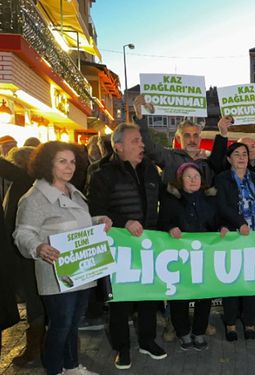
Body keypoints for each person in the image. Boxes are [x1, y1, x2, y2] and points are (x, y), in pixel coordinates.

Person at [14, 141, 112, 375]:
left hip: (81, 271)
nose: (69, 167)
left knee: (73, 324)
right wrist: (38, 247)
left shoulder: (74, 193)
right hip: (56, 274)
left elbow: (79, 224)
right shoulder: (34, 198)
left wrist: (97, 221)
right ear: (47, 163)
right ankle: (55, 369)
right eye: (62, 161)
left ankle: (72, 366)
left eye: (72, 161)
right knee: (60, 325)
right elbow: (22, 233)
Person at [87, 123, 166, 370]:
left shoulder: (151, 171)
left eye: (141, 141)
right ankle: (122, 348)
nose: (141, 145)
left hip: (148, 245)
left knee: (148, 297)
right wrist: (124, 222)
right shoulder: (102, 174)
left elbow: (160, 204)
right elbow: (95, 210)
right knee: (119, 300)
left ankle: (147, 340)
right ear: (118, 146)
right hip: (118, 248)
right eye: (135, 141)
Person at [159, 162, 226, 350]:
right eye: (188, 177)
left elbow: (217, 220)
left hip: (204, 256)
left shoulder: (209, 199)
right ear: (181, 180)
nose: (193, 180)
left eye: (196, 176)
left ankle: (199, 331)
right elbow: (162, 221)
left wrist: (221, 227)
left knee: (204, 295)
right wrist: (170, 228)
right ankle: (183, 333)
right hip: (180, 257)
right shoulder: (171, 199)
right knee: (180, 295)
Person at [215, 143, 255, 341]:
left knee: (250, 281)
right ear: (229, 159)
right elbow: (221, 207)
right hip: (231, 237)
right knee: (231, 281)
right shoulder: (221, 179)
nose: (241, 157)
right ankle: (230, 324)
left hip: (254, 237)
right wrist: (239, 223)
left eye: (244, 154)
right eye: (236, 154)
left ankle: (249, 322)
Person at [1, 147, 44, 367]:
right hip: (23, 250)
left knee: (34, 300)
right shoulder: (25, 182)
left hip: (27, 252)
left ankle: (35, 347)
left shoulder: (25, 180)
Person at [132, 95, 231, 186]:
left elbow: (220, 160)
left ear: (200, 139)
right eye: (187, 135)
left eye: (195, 135)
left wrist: (223, 132)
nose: (192, 140)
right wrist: (139, 117)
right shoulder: (169, 157)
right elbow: (149, 147)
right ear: (179, 139)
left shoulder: (207, 161)